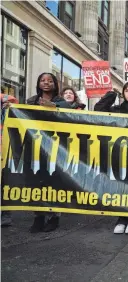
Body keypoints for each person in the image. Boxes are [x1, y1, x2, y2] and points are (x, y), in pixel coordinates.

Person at [94, 81, 128, 235]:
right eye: (126, 90)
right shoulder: (117, 109)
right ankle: (121, 218)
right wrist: (112, 93)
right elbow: (99, 109)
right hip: (119, 154)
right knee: (121, 187)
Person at [27, 73, 71, 233]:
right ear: (38, 83)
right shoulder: (31, 101)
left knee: (53, 181)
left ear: (55, 84)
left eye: (50, 81)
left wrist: (54, 107)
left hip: (54, 145)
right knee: (36, 180)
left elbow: (68, 115)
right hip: (36, 144)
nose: (46, 83)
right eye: (43, 80)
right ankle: (38, 217)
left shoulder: (62, 103)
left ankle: (54, 217)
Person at [1, 93, 18, 227]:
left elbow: (16, 106)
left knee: (3, 183)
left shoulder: (5, 98)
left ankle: (5, 215)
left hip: (3, 148)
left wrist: (8, 105)